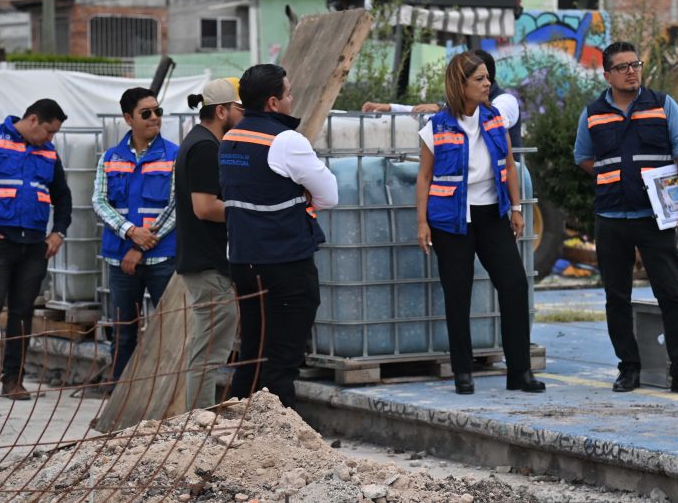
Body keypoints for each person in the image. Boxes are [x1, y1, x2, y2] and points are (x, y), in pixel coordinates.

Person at [573, 42, 678, 397]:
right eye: (622, 67)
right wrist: (615, 176)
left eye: (636, 64)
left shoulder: (663, 105)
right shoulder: (592, 113)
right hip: (611, 217)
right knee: (616, 296)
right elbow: (583, 157)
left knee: (671, 294)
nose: (632, 71)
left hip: (654, 218)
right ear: (607, 75)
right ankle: (628, 368)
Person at [415, 51, 544, 395]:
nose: (488, 84)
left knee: (515, 285)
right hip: (450, 221)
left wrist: (516, 208)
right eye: (481, 79)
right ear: (461, 84)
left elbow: (510, 165)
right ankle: (463, 372)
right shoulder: (435, 128)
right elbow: (424, 177)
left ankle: (520, 372)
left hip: (492, 216)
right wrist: (422, 223)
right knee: (459, 295)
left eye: (488, 78)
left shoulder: (495, 120)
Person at [220, 64, 338, 407]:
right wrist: (302, 195)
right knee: (283, 355)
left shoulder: (232, 137)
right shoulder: (286, 141)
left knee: (253, 350)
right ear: (273, 102)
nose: (292, 99)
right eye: (288, 94)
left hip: (243, 259)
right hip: (284, 261)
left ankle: (238, 427)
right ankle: (280, 436)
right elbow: (330, 194)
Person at [0, 99, 70, 402]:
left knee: (22, 313)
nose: (50, 138)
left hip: (34, 246)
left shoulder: (49, 153)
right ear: (32, 120)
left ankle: (13, 380)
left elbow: (62, 197)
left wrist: (59, 232)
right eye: (49, 131)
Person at [93, 87, 178, 384]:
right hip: (120, 259)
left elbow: (176, 205)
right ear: (128, 118)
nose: (155, 117)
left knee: (170, 330)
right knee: (123, 332)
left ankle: (166, 399)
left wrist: (142, 246)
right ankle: (120, 397)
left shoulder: (174, 155)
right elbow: (100, 202)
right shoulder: (110, 158)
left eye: (158, 111)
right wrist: (130, 232)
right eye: (146, 113)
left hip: (162, 258)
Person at [175, 78, 243, 411]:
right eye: (238, 109)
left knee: (208, 345)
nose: (242, 116)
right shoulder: (205, 147)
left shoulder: (199, 142)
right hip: (207, 264)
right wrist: (245, 210)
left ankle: (201, 413)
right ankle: (199, 417)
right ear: (222, 111)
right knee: (209, 348)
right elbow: (204, 207)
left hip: (205, 261)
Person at [362, 49, 523, 148]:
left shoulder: (506, 102)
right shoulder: (450, 115)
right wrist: (392, 108)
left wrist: (443, 107)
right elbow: (430, 115)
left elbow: (485, 119)